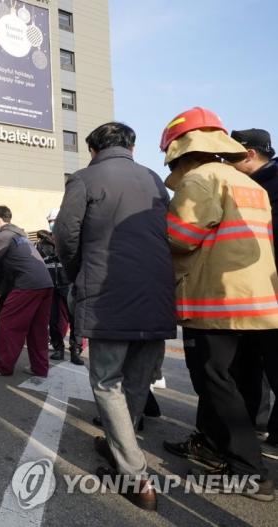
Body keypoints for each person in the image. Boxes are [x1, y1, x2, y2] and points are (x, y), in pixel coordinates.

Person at [55, 122, 176, 510]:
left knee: (107, 381)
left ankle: (136, 476)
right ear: (133, 146)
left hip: (108, 290)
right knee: (138, 378)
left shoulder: (85, 178)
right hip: (156, 290)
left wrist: (77, 273)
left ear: (92, 148)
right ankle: (121, 447)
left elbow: (65, 234)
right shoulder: (156, 180)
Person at [160, 108, 276, 502]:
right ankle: (213, 447)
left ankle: (249, 471)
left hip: (215, 299)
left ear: (182, 152)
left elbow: (181, 236)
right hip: (257, 301)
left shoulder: (199, 179)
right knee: (241, 381)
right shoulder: (250, 183)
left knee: (214, 381)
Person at [229, 128, 278, 460]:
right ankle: (266, 426)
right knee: (258, 364)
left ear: (248, 154)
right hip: (264, 292)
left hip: (269, 291)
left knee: (269, 364)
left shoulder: (264, 186)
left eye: (232, 157)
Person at [0, 206, 53, 377]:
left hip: (27, 285)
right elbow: (11, 270)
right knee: (38, 328)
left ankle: (3, 366)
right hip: (45, 283)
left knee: (7, 323)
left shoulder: (3, 235)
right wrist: (0, 291)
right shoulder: (20, 236)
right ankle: (40, 367)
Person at [36, 209, 84, 365]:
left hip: (69, 284)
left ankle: (75, 350)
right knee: (54, 319)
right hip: (51, 285)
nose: (52, 224)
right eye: (50, 221)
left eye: (54, 221)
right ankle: (58, 348)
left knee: (74, 319)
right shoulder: (42, 244)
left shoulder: (72, 240)